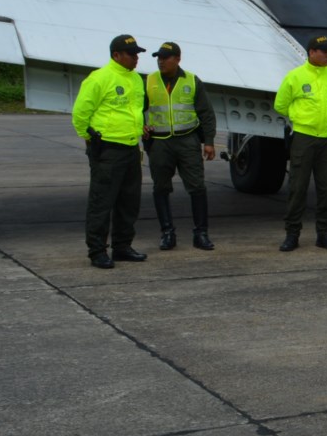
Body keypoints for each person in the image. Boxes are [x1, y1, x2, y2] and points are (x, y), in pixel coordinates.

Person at [72, 34, 149, 269]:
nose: (136, 58)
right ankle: (97, 250)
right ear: (116, 55)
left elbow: (134, 110)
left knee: (129, 201)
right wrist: (92, 141)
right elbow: (80, 114)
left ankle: (122, 246)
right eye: (131, 54)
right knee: (102, 201)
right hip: (107, 149)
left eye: (137, 54)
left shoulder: (136, 79)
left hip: (130, 147)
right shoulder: (99, 78)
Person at [274, 35, 327, 252]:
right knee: (297, 187)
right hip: (304, 137)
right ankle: (292, 234)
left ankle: (325, 234)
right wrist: (299, 117)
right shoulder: (296, 76)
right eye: (324, 51)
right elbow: (280, 104)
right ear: (311, 52)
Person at [144, 41, 218, 251]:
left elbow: (206, 113)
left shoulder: (192, 81)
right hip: (159, 142)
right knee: (161, 187)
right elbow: (136, 108)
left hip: (187, 141)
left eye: (165, 57)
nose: (161, 61)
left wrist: (209, 142)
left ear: (177, 59)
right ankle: (167, 233)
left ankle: (201, 234)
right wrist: (141, 125)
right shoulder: (149, 81)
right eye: (159, 58)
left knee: (196, 187)